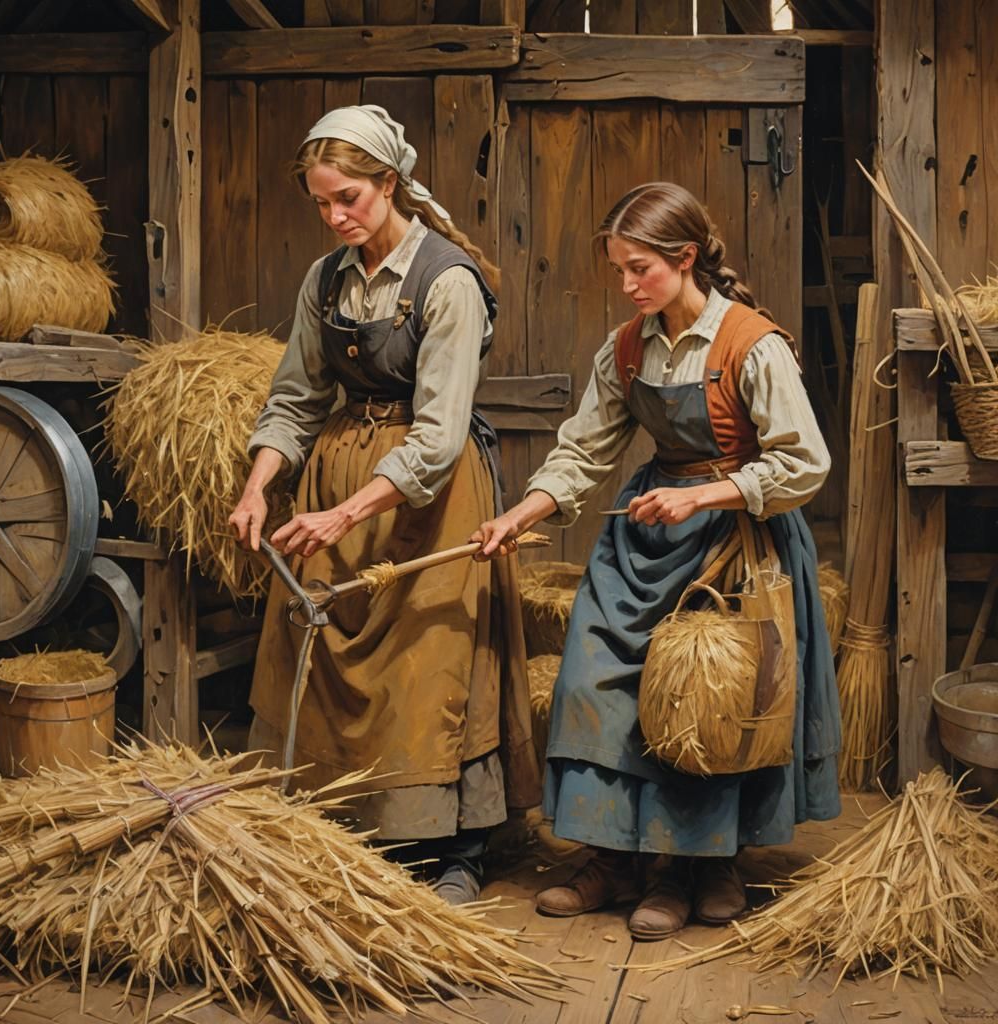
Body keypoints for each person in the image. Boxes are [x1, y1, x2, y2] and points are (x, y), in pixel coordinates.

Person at [473, 182, 841, 938]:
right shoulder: (628, 346)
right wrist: (519, 513)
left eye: (639, 268)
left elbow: (805, 464)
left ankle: (699, 866)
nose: (628, 285)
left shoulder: (751, 344)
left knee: (704, 698)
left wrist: (702, 497)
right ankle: (612, 858)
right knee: (593, 681)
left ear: (685, 257)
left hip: (734, 541)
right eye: (618, 270)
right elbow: (583, 450)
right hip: (647, 536)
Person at [230, 105, 539, 905]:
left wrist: (343, 516)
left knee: (429, 668)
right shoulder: (325, 279)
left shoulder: (448, 281)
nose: (335, 217)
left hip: (426, 498)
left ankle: (458, 846)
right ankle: (338, 825)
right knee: (319, 650)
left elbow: (437, 438)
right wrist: (259, 486)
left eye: (349, 199)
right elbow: (296, 399)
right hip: (337, 478)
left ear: (390, 183)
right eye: (321, 203)